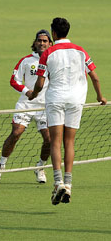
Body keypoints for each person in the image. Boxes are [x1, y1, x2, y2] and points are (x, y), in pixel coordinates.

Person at [28, 17, 107, 205]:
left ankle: (58, 182)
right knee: (69, 141)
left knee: (55, 141)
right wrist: (100, 97)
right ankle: (69, 184)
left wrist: (33, 95)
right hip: (76, 101)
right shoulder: (81, 51)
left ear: (53, 34)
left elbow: (40, 83)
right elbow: (95, 77)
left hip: (56, 99)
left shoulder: (48, 53)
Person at [0, 30, 53, 182]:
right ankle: (1, 166)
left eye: (45, 41)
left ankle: (40, 167)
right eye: (39, 40)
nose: (42, 43)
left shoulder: (54, 61)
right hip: (26, 103)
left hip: (45, 106)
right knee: (16, 133)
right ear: (35, 42)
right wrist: (27, 92)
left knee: (50, 140)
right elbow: (14, 80)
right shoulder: (26, 61)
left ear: (50, 43)